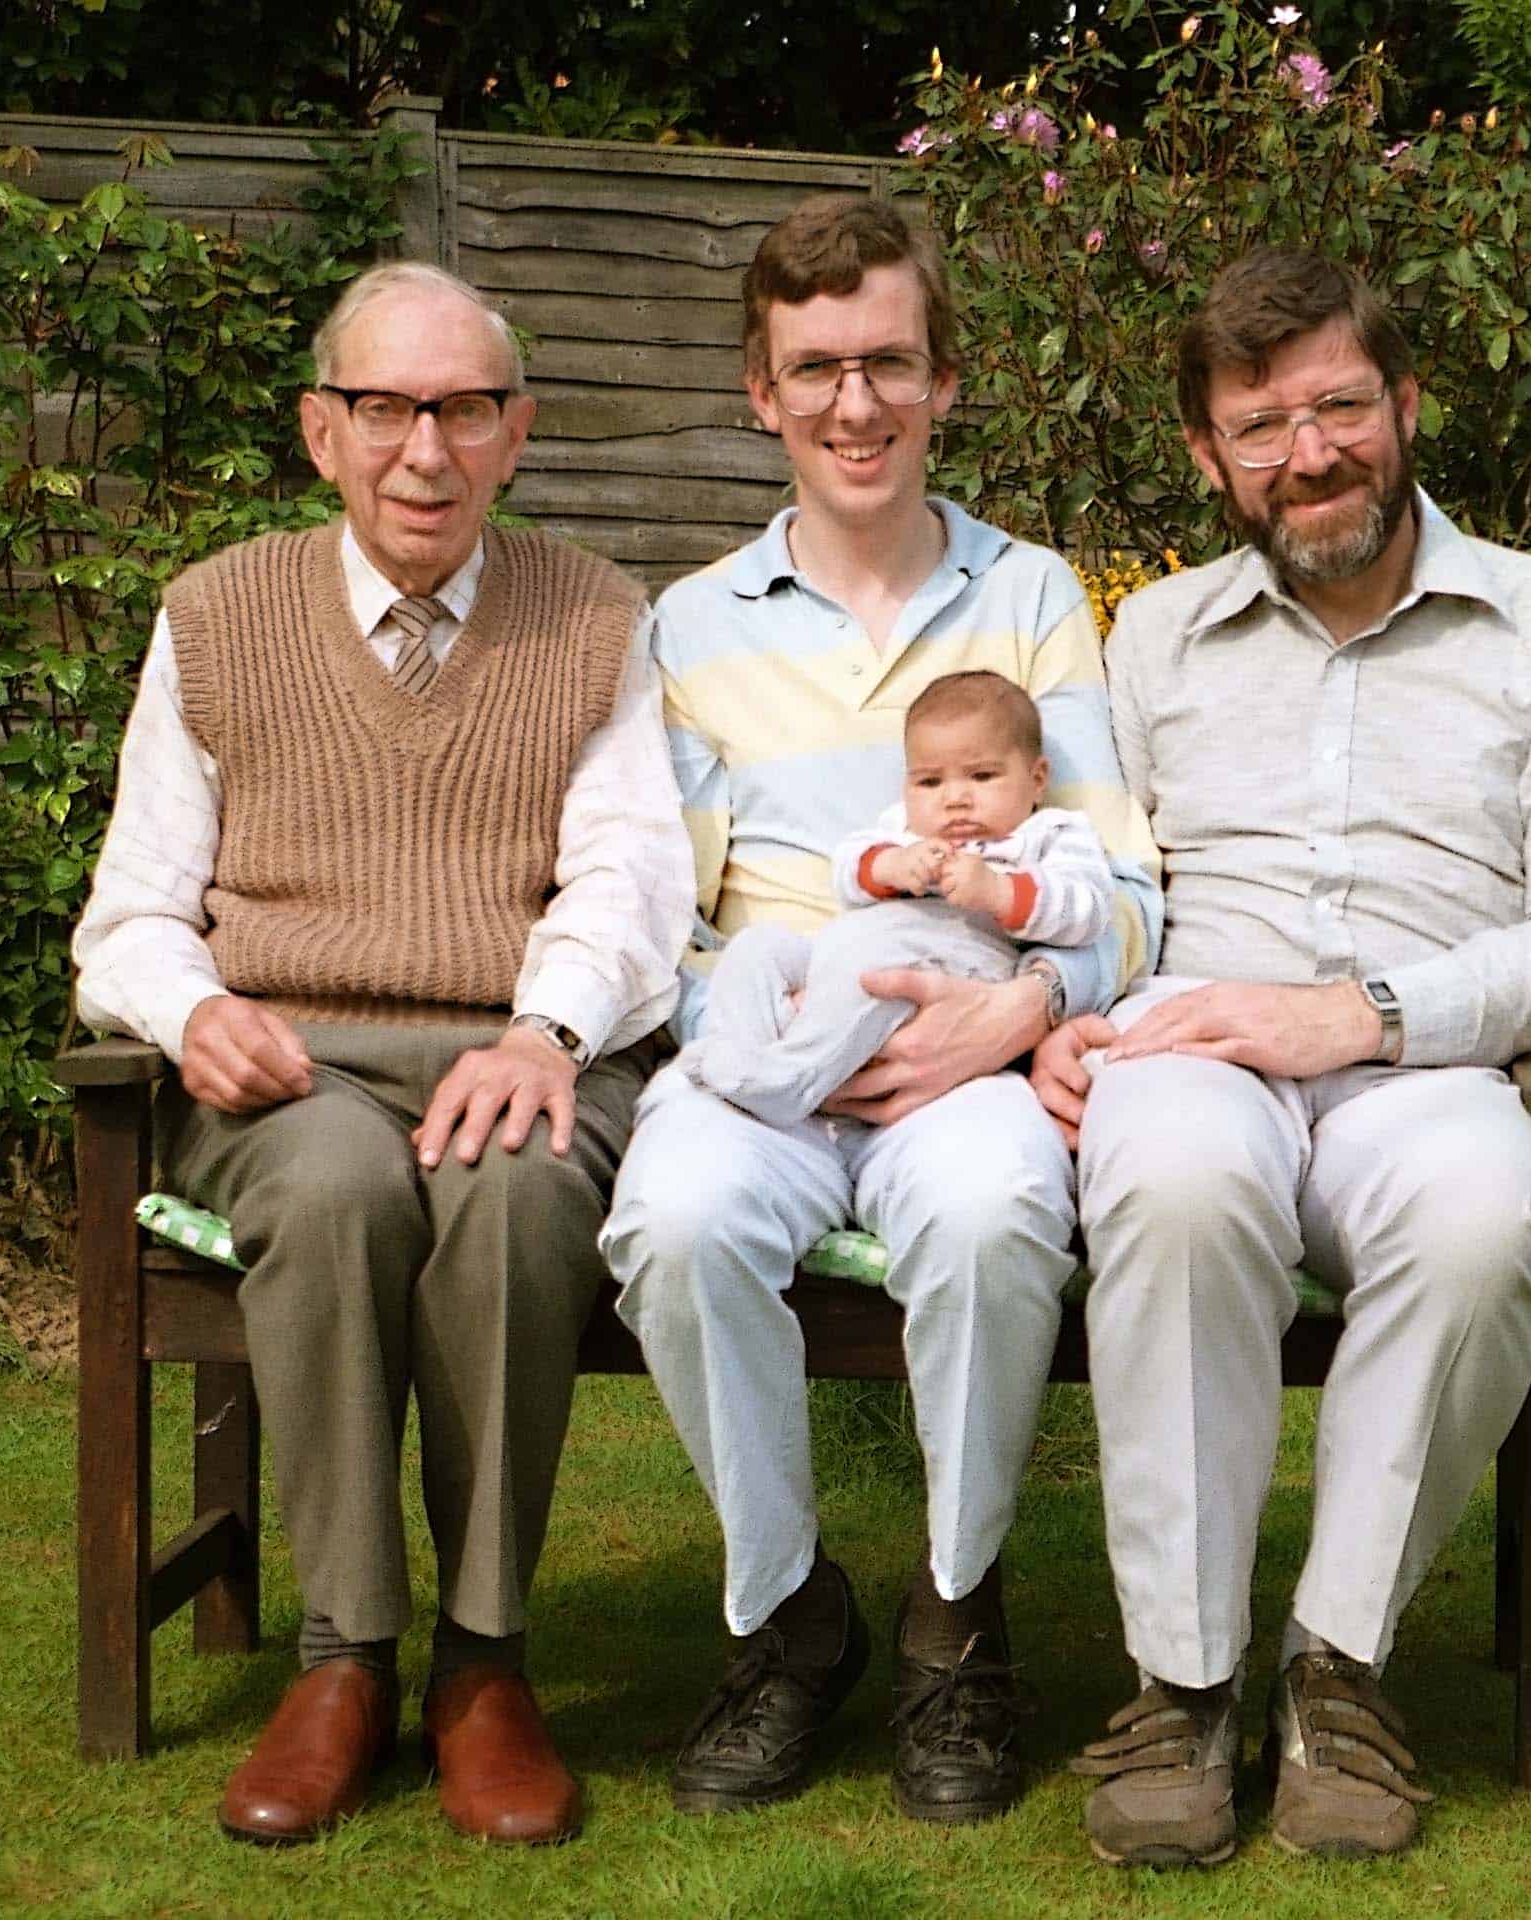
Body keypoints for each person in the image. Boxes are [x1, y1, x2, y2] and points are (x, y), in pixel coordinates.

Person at [1035, 245, 1531, 1867]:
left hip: (1433, 1063)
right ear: (1208, 454)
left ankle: (1338, 1669)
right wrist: (1059, 1010)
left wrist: (1361, 1013)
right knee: (1171, 1184)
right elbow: (1106, 881)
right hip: (1194, 1047)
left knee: (1492, 1219)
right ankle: (1183, 1686)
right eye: (1262, 425)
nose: (1309, 454)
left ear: (1406, 404)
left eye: (1340, 408)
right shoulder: (1154, 636)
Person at [71, 261, 695, 1846]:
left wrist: (546, 1032)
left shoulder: (596, 618)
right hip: (293, 1067)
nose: (427, 449)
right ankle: (343, 1658)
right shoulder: (216, 614)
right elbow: (130, 914)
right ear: (321, 432)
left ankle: (483, 1663)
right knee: (339, 1187)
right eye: (386, 409)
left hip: (520, 1046)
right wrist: (195, 1015)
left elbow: (632, 882)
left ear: (515, 432)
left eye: (466, 409)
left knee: (518, 1193)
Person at [599, 195, 1162, 1825]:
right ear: (760, 392)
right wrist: (770, 1037)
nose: (858, 404)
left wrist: (1025, 1005)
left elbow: (1124, 890)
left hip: (973, 1045)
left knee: (992, 1218)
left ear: (943, 379)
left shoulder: (1035, 597)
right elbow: (659, 917)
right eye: (818, 369)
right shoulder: (687, 626)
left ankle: (953, 1619)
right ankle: (790, 1618)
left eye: (890, 364)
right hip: (777, 1044)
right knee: (676, 1224)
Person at [678, 669, 1116, 1128]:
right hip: (835, 952)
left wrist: (1000, 892)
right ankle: (738, 1054)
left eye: (982, 776)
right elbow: (847, 869)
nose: (955, 799)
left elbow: (1089, 908)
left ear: (1037, 777)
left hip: (941, 966)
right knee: (759, 946)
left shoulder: (1052, 834)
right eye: (929, 783)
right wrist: (891, 867)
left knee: (876, 986)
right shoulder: (901, 830)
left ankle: (788, 1087)